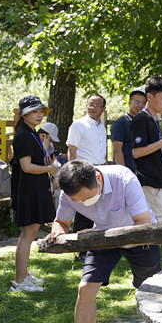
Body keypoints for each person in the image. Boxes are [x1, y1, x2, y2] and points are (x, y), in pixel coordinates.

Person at [45, 160, 161, 323]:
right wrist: (58, 232)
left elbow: (143, 224)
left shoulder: (123, 179)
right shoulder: (70, 192)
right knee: (85, 289)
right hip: (100, 238)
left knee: (151, 290)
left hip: (139, 235)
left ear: (98, 179)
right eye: (79, 202)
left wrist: (102, 235)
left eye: (87, 198)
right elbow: (61, 222)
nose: (83, 204)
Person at [9, 96, 59, 292]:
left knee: (30, 233)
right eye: (34, 111)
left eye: (41, 111)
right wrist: (50, 169)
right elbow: (27, 167)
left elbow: (34, 161)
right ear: (24, 115)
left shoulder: (32, 133)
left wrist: (45, 157)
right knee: (27, 235)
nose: (39, 115)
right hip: (29, 190)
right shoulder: (23, 134)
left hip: (35, 187)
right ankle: (20, 281)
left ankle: (23, 275)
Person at [131, 77, 162, 223]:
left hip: (160, 180)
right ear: (149, 96)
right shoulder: (141, 119)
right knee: (156, 226)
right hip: (149, 183)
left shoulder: (155, 119)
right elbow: (136, 152)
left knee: (161, 223)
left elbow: (152, 145)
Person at [67, 94, 108, 233]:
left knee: (100, 208)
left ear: (103, 108)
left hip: (101, 171)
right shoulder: (78, 125)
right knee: (84, 208)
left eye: (97, 105)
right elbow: (71, 149)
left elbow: (103, 151)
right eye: (91, 104)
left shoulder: (102, 127)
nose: (93, 108)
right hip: (84, 171)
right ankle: (80, 243)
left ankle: (99, 240)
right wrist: (73, 173)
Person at [111, 89, 146, 173]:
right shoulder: (120, 123)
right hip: (127, 170)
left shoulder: (144, 122)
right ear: (129, 103)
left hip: (142, 171)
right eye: (137, 102)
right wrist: (122, 172)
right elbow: (117, 149)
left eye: (143, 103)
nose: (140, 105)